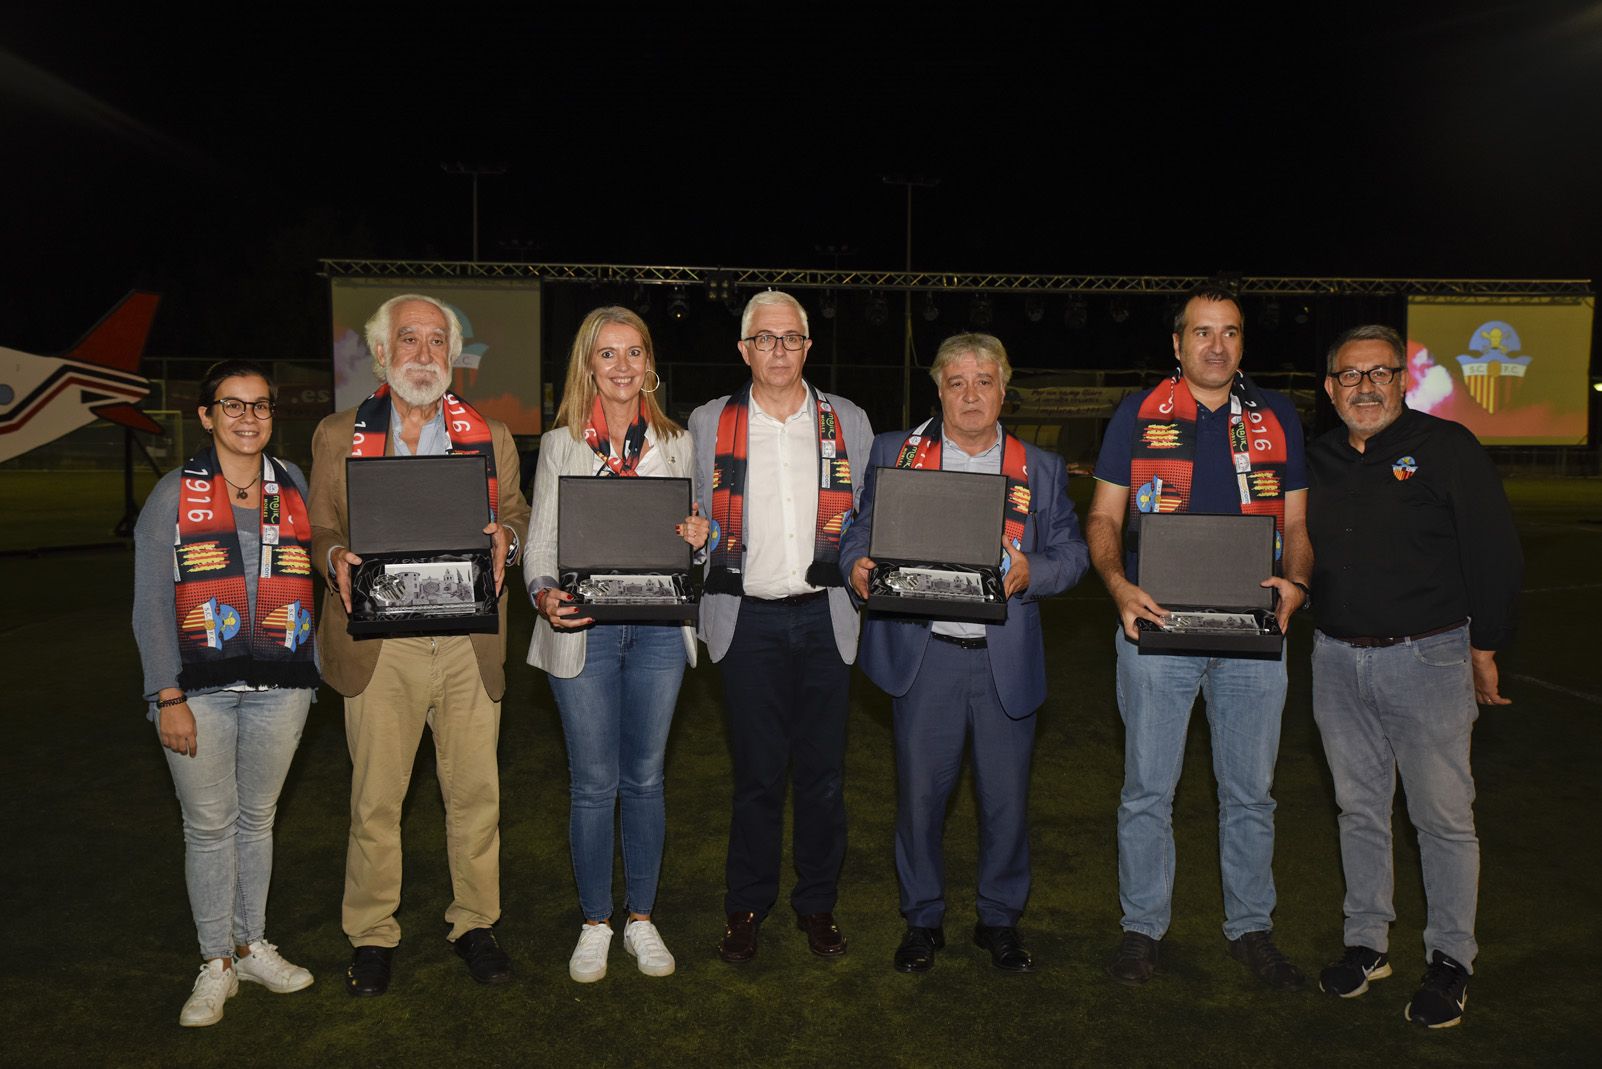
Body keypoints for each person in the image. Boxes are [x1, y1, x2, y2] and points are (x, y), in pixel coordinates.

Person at [1085, 282, 1312, 990]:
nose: (1217, 345)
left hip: (1253, 635)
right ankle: (1141, 929)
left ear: (1243, 341)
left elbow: (1298, 528)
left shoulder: (1277, 416)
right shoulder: (1137, 413)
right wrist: (1120, 587)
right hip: (1158, 631)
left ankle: (1251, 928)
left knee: (1249, 793)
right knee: (1148, 791)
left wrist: (1297, 586)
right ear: (1177, 343)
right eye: (1202, 331)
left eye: (1231, 332)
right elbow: (1102, 519)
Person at [840, 333, 1089, 973]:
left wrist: (1034, 570)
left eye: (984, 381)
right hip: (927, 658)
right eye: (957, 382)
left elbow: (1073, 555)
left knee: (1006, 803)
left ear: (1005, 389)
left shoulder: (1041, 467)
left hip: (1004, 657)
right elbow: (859, 528)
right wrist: (855, 564)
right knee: (920, 799)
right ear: (940, 390)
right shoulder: (899, 451)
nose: (971, 395)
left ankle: (999, 921)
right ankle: (922, 921)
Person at [309, 293, 530, 996]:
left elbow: (517, 515)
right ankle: (372, 933)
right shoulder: (337, 434)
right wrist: (336, 553)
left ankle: (475, 921)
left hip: (467, 642)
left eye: (439, 341)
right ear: (382, 353)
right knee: (376, 798)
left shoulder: (489, 434)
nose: (426, 354)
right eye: (410, 339)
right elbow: (318, 528)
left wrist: (510, 539)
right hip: (380, 644)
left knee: (475, 795)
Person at [1307, 324, 1521, 1029]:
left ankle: (1451, 959)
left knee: (1441, 819)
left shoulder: (1446, 448)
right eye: (1350, 375)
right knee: (1358, 809)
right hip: (1337, 660)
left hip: (1427, 657)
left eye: (1380, 373)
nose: (1364, 387)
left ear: (1402, 379)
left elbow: (1493, 549)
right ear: (1330, 387)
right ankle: (1367, 942)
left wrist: (1485, 645)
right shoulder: (1323, 456)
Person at [524, 307, 709, 983]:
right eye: (609, 354)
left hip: (661, 630)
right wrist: (543, 590)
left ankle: (642, 919)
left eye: (635, 352)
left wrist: (701, 540)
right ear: (588, 365)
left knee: (648, 778)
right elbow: (541, 539)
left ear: (650, 364)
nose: (624, 366)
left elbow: (698, 544)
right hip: (584, 630)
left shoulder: (680, 442)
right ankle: (596, 920)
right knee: (595, 784)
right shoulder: (562, 444)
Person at [133, 359, 320, 1027]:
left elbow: (314, 568)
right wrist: (167, 693)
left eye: (261, 405)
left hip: (281, 682)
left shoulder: (290, 483)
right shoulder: (172, 494)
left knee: (257, 819)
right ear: (207, 414)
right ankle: (214, 960)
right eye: (233, 405)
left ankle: (250, 944)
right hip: (198, 689)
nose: (249, 417)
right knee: (209, 827)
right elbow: (150, 605)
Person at [690, 290, 873, 963]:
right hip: (748, 623)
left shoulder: (847, 420)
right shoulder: (709, 422)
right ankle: (746, 905)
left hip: (827, 620)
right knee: (758, 776)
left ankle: (817, 902)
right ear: (744, 350)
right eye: (764, 339)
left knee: (824, 775)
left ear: (807, 347)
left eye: (790, 337)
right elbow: (687, 515)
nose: (778, 349)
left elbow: (870, 518)